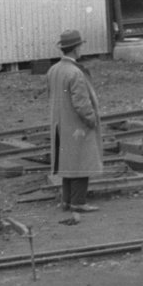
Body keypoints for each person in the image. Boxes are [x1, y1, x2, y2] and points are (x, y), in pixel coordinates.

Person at [48, 27, 104, 213]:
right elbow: (81, 103)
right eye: (80, 46)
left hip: (60, 124)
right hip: (77, 125)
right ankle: (78, 202)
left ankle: (66, 201)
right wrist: (91, 120)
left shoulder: (53, 70)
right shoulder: (75, 73)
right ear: (76, 48)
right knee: (82, 162)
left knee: (67, 163)